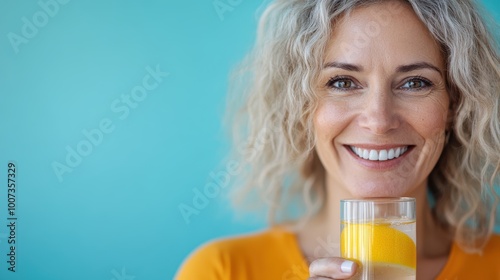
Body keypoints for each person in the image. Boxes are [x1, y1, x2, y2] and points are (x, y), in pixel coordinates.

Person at [176, 0, 500, 279]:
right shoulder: (223, 270)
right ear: (301, 107)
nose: (379, 121)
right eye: (343, 82)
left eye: (415, 83)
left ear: (455, 104)